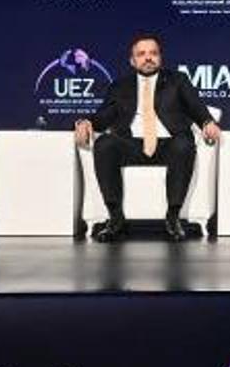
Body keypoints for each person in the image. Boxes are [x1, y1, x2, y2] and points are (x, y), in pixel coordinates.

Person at [74, 34, 222, 242]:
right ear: (132, 60)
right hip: (131, 144)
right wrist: (86, 122)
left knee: (183, 145)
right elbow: (104, 116)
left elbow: (196, 106)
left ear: (160, 57)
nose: (148, 58)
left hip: (169, 143)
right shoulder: (120, 86)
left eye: (153, 53)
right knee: (105, 144)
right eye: (141, 54)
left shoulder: (177, 80)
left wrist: (207, 122)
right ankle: (115, 218)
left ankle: (173, 217)